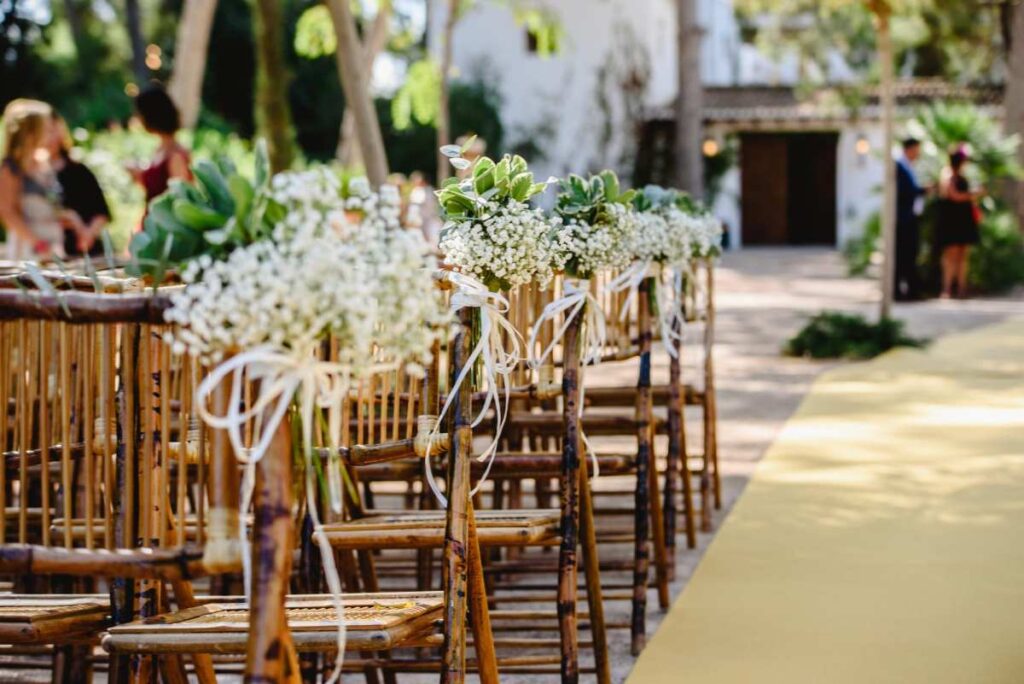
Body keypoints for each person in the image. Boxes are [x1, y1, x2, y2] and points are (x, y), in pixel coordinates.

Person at [0, 99, 66, 260]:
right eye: (46, 128)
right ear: (30, 132)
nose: (50, 133)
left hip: (53, 243)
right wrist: (38, 244)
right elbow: (7, 212)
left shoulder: (44, 161)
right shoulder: (11, 168)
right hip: (28, 247)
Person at [47, 112, 111, 257]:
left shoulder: (78, 170)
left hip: (86, 253)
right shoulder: (33, 175)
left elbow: (101, 211)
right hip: (49, 251)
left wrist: (87, 235)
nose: (49, 137)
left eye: (52, 130)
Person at [127, 85, 191, 203]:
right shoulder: (160, 149)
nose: (138, 119)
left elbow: (181, 199)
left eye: (140, 114)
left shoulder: (175, 156)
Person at [935, 149, 983, 299]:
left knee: (963, 256)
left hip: (964, 219)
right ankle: (947, 289)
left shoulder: (962, 177)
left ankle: (962, 288)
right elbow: (953, 195)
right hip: (952, 220)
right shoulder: (947, 175)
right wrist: (972, 195)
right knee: (951, 255)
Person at [894, 137, 927, 301]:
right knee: (902, 254)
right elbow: (902, 192)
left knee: (911, 254)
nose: (918, 154)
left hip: (911, 218)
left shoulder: (909, 167)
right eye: (917, 149)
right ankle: (898, 291)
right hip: (903, 219)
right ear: (909, 149)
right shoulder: (899, 166)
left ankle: (911, 290)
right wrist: (920, 191)